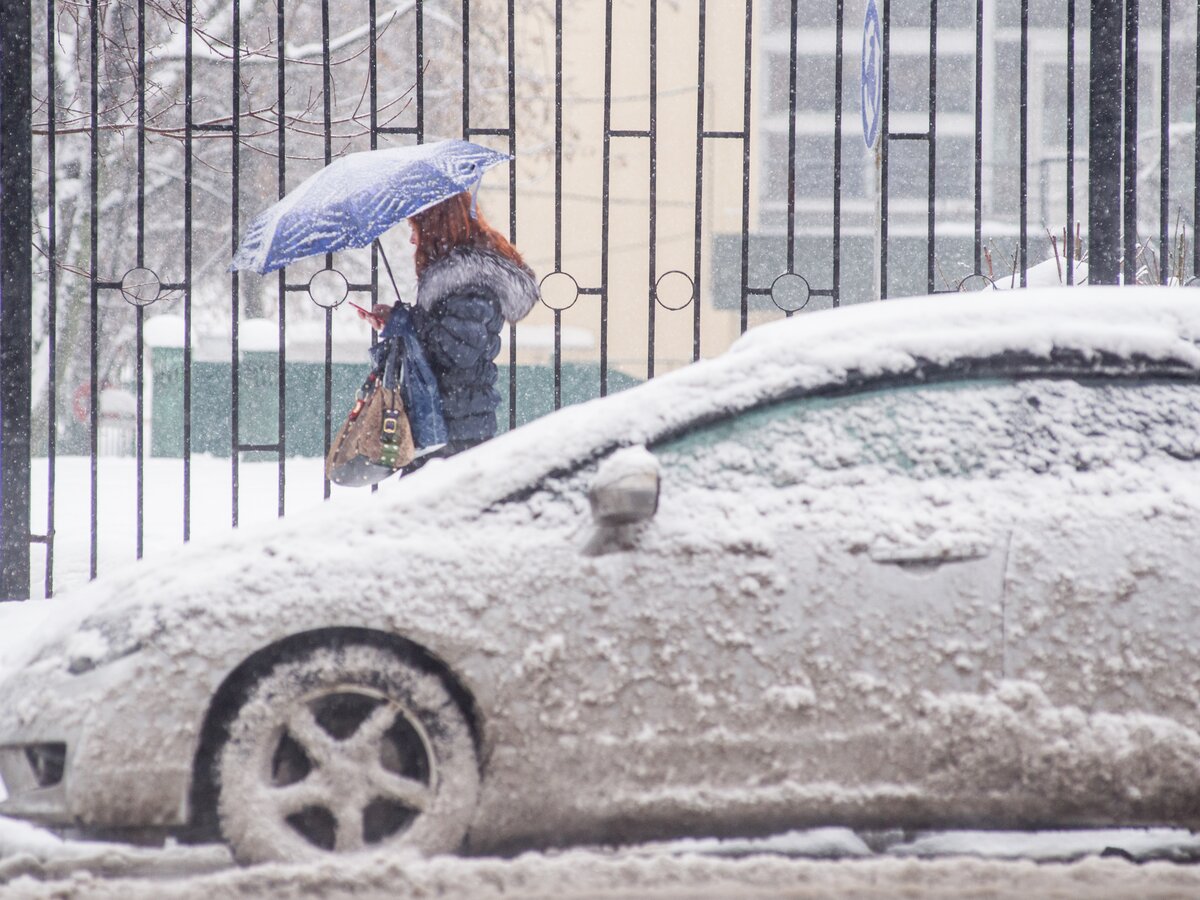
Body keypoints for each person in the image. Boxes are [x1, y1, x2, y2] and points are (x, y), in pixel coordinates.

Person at [358, 192, 538, 462]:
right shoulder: (456, 279)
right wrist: (397, 318)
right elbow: (442, 331)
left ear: (436, 225)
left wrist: (403, 322)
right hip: (446, 423)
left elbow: (456, 351)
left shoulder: (470, 280)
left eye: (414, 228)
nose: (412, 239)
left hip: (455, 430)